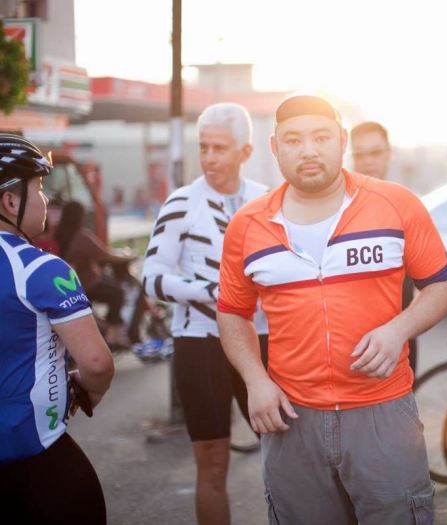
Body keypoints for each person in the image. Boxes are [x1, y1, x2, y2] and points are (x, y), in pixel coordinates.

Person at [217, 95, 447, 524]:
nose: (308, 150)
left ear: (342, 141)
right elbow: (232, 311)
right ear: (275, 147)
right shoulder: (247, 225)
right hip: (292, 416)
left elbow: (441, 285)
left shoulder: (395, 203)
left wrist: (397, 329)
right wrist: (255, 380)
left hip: (383, 411)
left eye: (321, 137)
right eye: (293, 140)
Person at [142, 102, 269, 525]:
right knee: (212, 463)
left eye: (220, 148)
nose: (210, 157)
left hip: (262, 340)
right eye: (203, 147)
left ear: (245, 151)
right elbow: (152, 279)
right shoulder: (181, 202)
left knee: (287, 455)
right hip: (200, 342)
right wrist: (213, 293)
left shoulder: (266, 202)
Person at [0, 134, 114, 524]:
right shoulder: (40, 269)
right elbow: (96, 363)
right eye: (39, 188)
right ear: (10, 201)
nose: (46, 199)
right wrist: (90, 388)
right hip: (32, 458)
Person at [350, 120, 419, 373]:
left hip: (400, 333)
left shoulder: (406, 205)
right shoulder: (337, 207)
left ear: (390, 153)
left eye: (375, 152)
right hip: (351, 337)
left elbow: (434, 282)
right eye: (360, 154)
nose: (368, 161)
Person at [55, 200, 136, 348]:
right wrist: (128, 255)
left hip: (70, 284)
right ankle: (112, 333)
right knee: (117, 293)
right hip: (87, 283)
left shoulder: (59, 235)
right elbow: (105, 255)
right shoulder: (81, 237)